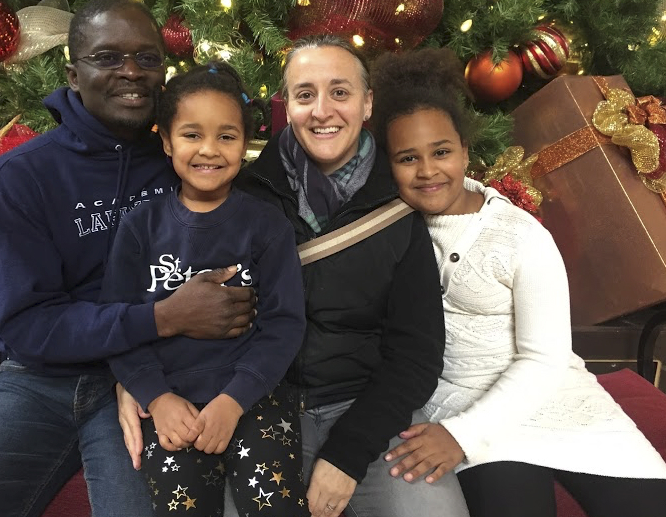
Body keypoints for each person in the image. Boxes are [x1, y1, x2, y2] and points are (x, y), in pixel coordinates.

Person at [0, 0, 256, 517]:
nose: (132, 71)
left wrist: (147, 370)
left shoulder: (187, 162)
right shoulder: (20, 178)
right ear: (73, 75)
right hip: (39, 379)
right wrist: (162, 318)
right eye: (108, 57)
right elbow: (29, 328)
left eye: (147, 58)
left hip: (157, 370)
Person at [119, 34, 470, 517]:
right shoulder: (236, 191)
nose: (322, 110)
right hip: (254, 405)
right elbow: (150, 295)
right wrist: (138, 385)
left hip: (364, 411)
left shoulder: (398, 202)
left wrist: (347, 454)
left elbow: (416, 355)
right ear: (287, 106)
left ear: (367, 103)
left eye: (340, 92)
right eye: (306, 94)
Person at [372, 47, 666, 517]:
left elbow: (545, 358)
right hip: (462, 408)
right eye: (408, 158)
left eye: (442, 152)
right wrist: (460, 433)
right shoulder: (388, 231)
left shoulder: (520, 235)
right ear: (389, 165)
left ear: (465, 151)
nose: (427, 170)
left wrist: (460, 435)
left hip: (552, 396)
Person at [100, 62, 308, 516]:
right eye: (192, 135)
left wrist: (234, 401)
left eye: (226, 136)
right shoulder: (140, 227)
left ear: (245, 144)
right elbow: (119, 324)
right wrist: (155, 395)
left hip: (254, 396)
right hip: (170, 402)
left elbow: (285, 324)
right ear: (166, 140)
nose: (209, 149)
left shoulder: (266, 225)